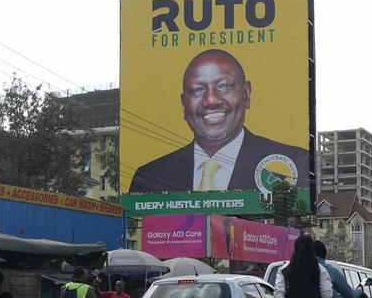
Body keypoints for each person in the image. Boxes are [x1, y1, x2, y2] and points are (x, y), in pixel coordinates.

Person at [129, 49, 309, 193]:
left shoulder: (294, 164)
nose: (211, 100)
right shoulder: (149, 176)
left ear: (246, 94)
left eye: (224, 86)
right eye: (198, 90)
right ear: (184, 104)